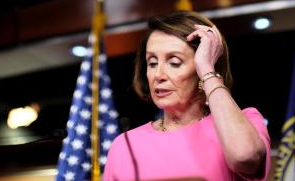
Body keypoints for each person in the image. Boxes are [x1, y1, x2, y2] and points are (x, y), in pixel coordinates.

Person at [103, 11, 271, 181]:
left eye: (174, 62)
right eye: (152, 63)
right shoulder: (124, 145)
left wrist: (206, 69)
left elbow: (244, 157)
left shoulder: (246, 122)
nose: (158, 74)